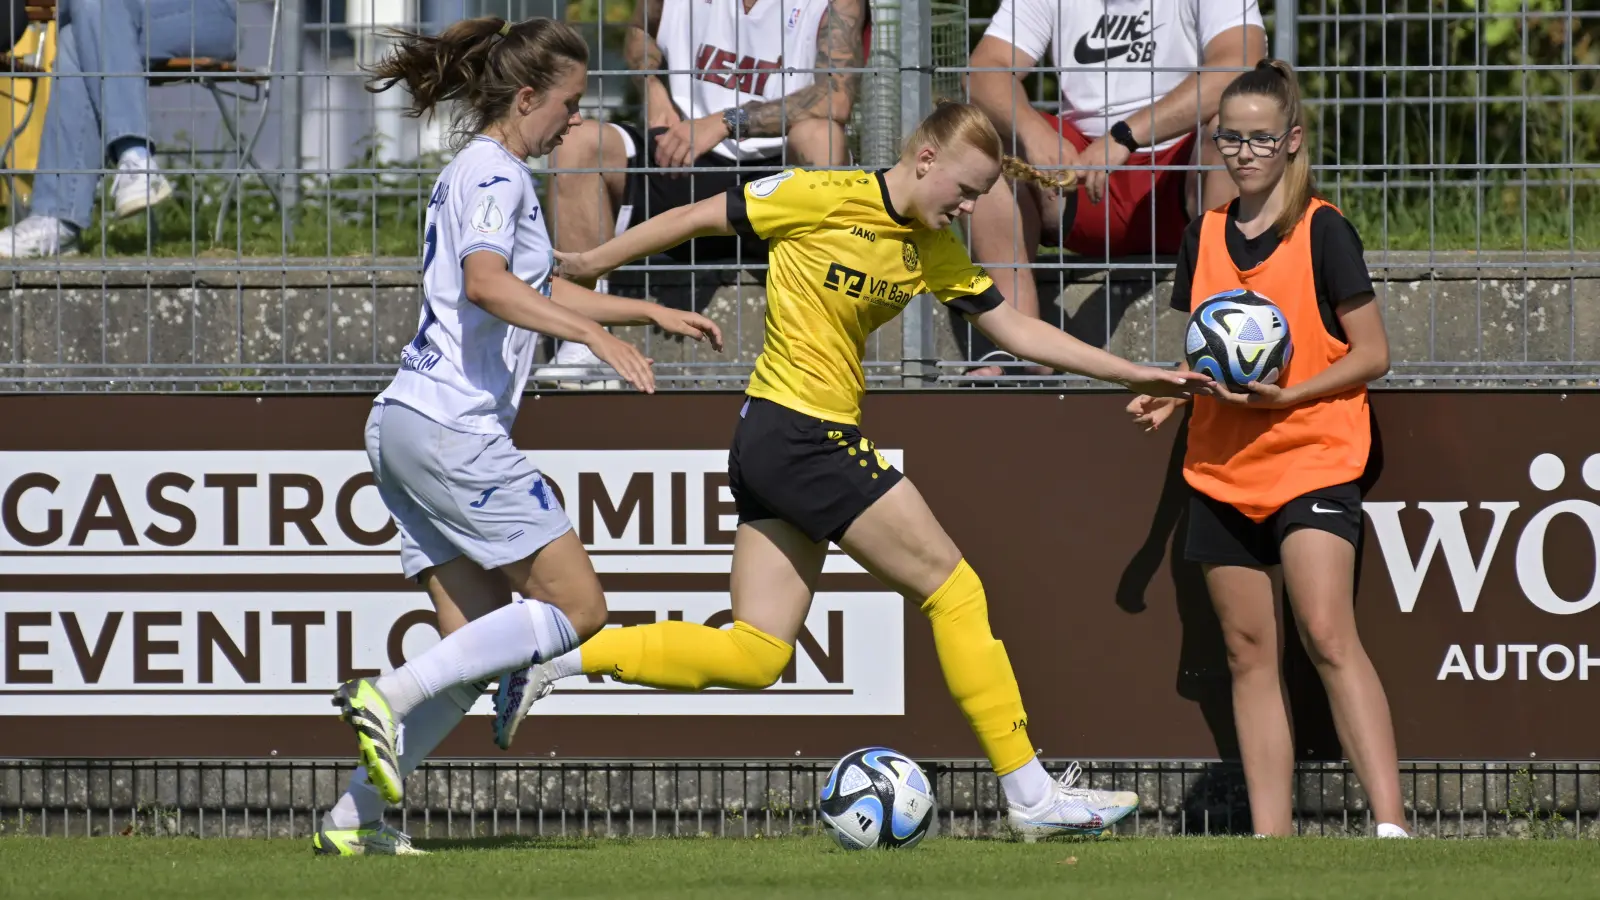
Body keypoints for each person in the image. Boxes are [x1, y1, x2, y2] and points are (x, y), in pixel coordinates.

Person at [492, 100, 1214, 840]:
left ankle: (557, 659)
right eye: (962, 190)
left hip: (776, 442)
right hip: (800, 432)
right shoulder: (820, 194)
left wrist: (1135, 372)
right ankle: (1030, 794)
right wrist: (587, 263)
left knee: (756, 651)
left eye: (977, 199)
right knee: (955, 590)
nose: (966, 208)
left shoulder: (930, 245)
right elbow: (701, 215)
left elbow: (1015, 330)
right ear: (924, 159)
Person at [313, 15, 723, 857]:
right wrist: (596, 341)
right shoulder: (497, 175)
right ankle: (384, 697)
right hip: (453, 428)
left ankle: (355, 821)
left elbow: (545, 287)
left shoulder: (476, 172)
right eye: (568, 106)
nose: (574, 123)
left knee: (473, 653)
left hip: (405, 424)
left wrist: (638, 311)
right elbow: (490, 285)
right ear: (526, 97)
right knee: (579, 608)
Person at [1124, 60, 1408, 839]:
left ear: (1291, 141)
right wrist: (1173, 388)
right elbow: (1211, 353)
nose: (1242, 152)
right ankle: (1270, 843)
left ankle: (1392, 828)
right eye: (1229, 139)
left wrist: (1289, 397)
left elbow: (1372, 353)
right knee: (1249, 656)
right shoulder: (1204, 233)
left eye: (1258, 138)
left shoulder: (1325, 230)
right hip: (1221, 470)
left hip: (1314, 456)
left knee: (1325, 633)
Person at [537, 0, 866, 388]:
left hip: (776, 169)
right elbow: (641, 28)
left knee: (822, 136)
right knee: (577, 142)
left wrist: (729, 121)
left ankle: (822, 343)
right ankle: (584, 343)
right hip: (685, 154)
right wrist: (653, 87)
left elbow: (837, 98)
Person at [953, 0, 1266, 379]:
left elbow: (1240, 65)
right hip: (1080, 177)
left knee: (1234, 124)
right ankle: (1018, 351)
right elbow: (984, 70)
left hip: (1184, 179)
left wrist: (1127, 135)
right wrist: (1034, 134)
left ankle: (1229, 337)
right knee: (982, 134)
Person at [0, 0, 239, 258]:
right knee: (80, 31)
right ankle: (135, 161)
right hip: (108, 17)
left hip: (199, 14)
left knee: (87, 24)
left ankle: (58, 219)